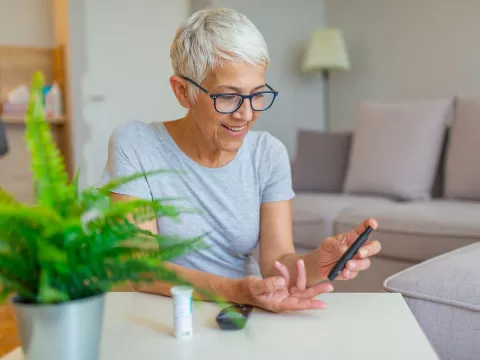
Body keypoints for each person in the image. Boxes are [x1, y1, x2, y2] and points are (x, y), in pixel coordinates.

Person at [100, 8, 381, 313]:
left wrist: (318, 263)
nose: (246, 114)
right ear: (183, 91)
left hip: (240, 314)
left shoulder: (267, 153)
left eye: (257, 94)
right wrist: (235, 290)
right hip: (161, 314)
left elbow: (278, 266)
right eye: (228, 97)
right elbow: (141, 269)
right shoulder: (137, 144)